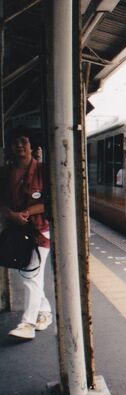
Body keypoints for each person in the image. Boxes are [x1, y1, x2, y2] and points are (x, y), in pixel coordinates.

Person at [0, 127, 52, 339]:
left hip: (39, 230)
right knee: (28, 274)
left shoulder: (43, 171)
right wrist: (11, 215)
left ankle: (27, 324)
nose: (19, 145)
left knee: (31, 275)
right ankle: (45, 312)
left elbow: (50, 201)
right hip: (17, 231)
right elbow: (1, 202)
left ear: (31, 146)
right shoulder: (5, 173)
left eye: (24, 141)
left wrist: (28, 212)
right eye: (15, 142)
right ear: (11, 147)